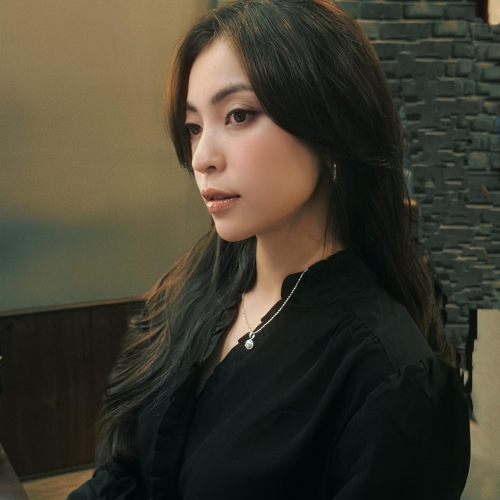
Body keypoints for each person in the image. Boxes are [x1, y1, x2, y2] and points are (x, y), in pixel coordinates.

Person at [68, 0, 471, 498]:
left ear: (331, 128)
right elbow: (125, 471)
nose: (202, 157)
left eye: (238, 115)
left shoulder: (395, 382)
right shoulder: (192, 291)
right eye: (194, 127)